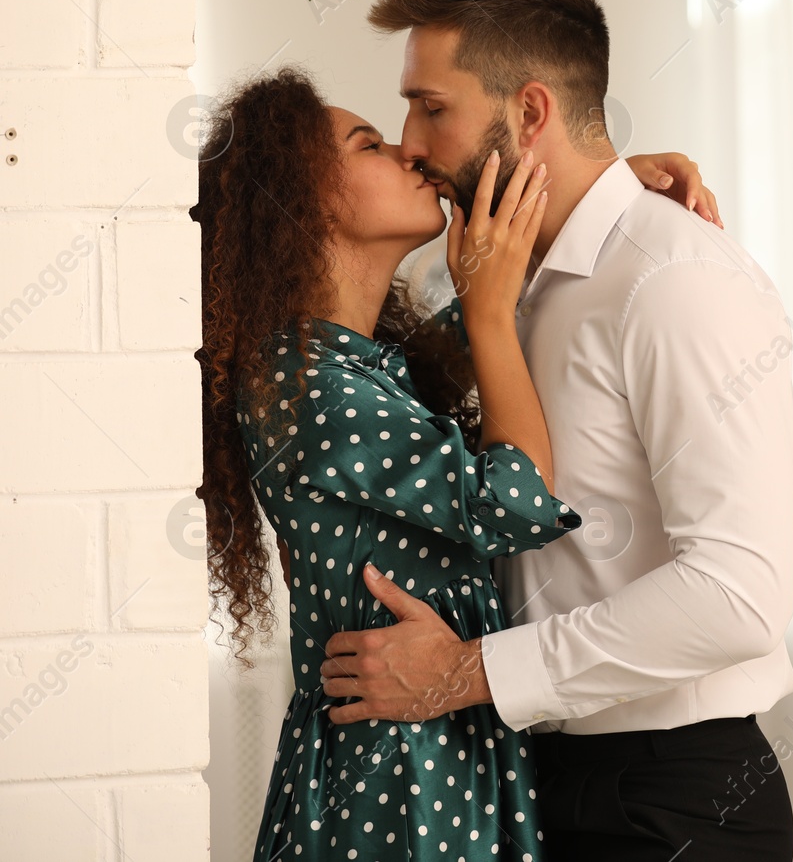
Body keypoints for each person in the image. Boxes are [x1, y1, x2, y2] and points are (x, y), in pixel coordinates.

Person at [317, 0, 793, 860]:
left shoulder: (675, 278)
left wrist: (468, 672)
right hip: (542, 783)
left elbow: (741, 593)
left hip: (669, 805)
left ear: (530, 109)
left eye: (431, 107)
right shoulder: (502, 279)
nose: (412, 144)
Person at [192, 66, 718, 860]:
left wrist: (594, 191)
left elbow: (459, 327)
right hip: (404, 779)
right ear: (304, 202)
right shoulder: (309, 389)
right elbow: (517, 500)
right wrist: (490, 314)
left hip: (433, 753)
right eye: (370, 143)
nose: (410, 154)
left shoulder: (348, 366)